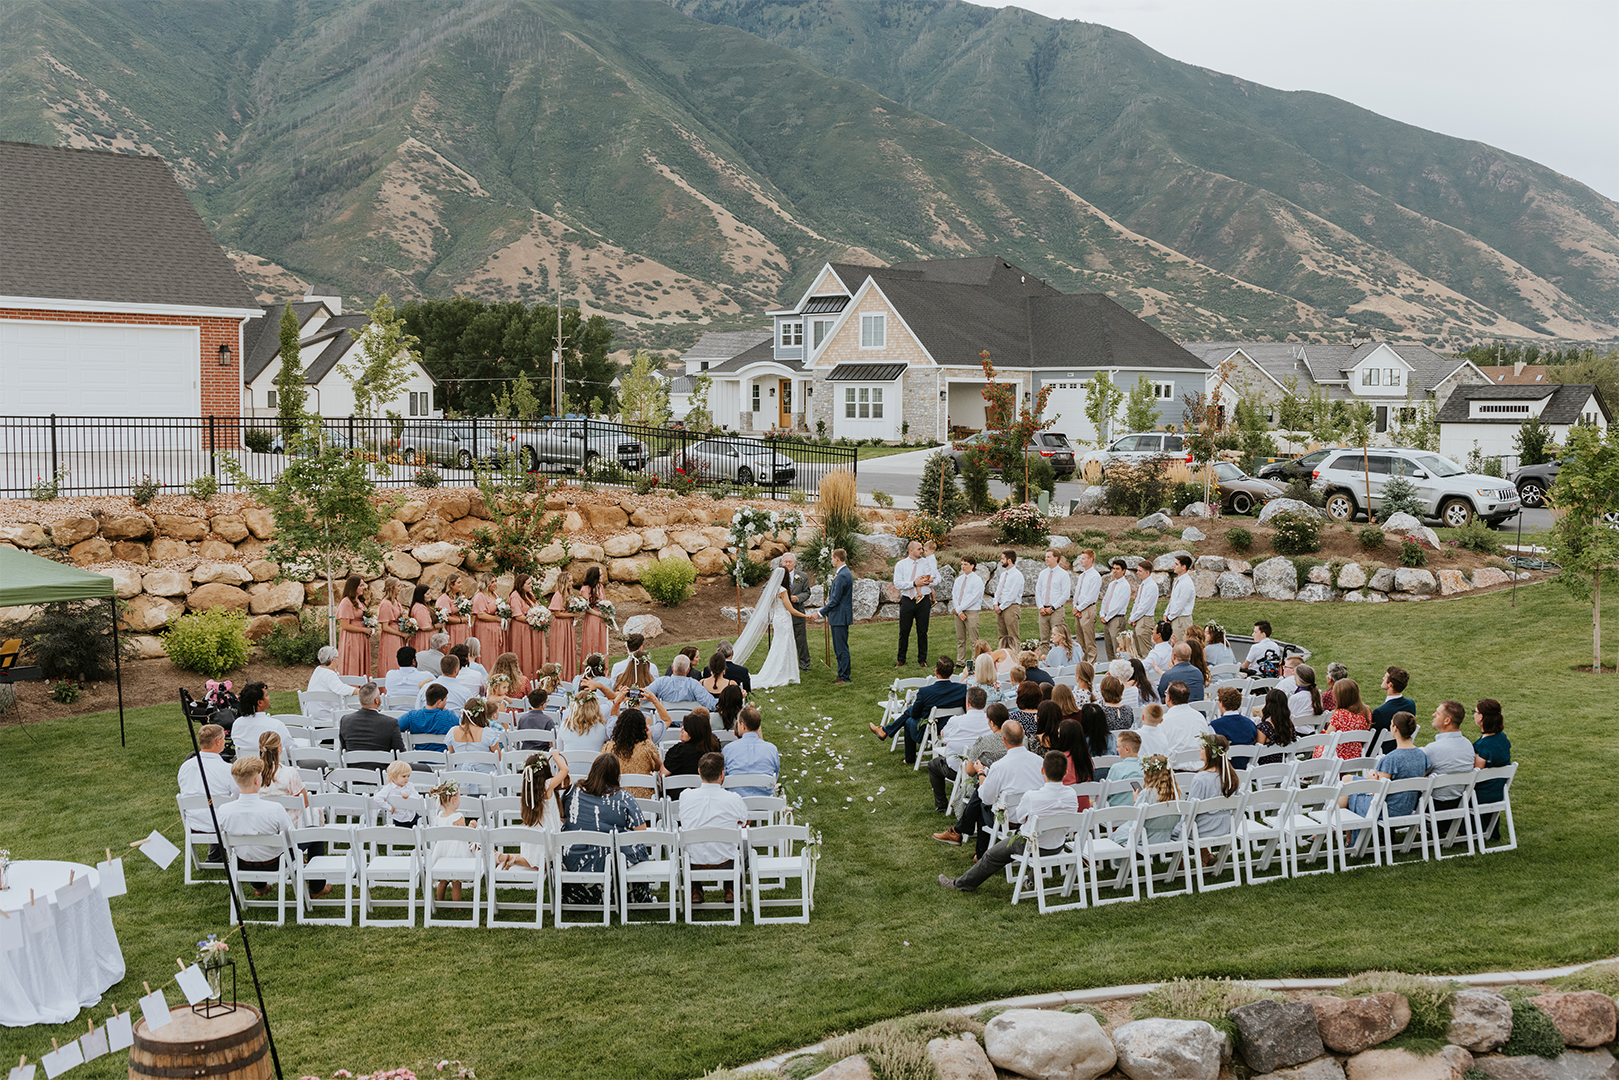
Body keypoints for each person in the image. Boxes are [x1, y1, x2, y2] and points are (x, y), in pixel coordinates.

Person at [938, 751, 1079, 893]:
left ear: (1042, 770)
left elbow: (1020, 818)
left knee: (990, 856)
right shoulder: (1072, 795)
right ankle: (1031, 882)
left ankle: (960, 884)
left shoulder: (1032, 797)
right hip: (1057, 845)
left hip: (1030, 846)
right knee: (1039, 835)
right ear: (1065, 773)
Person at [215, 756, 329, 898]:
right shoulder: (274, 809)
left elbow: (223, 840)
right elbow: (290, 839)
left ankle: (260, 887)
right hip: (275, 863)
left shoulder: (224, 810)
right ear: (257, 780)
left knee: (251, 847)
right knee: (315, 833)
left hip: (243, 863)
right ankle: (317, 888)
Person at [559, 754, 648, 906]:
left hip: (575, 859)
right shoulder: (624, 797)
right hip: (609, 861)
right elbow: (641, 830)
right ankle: (631, 895)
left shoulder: (573, 792)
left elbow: (564, 819)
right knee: (638, 847)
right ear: (616, 774)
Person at [964, 719, 1046, 858]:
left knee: (981, 802)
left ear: (1003, 740)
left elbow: (986, 798)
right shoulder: (1040, 761)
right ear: (1024, 735)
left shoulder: (999, 766)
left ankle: (981, 853)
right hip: (1035, 817)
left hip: (1011, 820)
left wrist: (981, 774)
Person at [931, 703, 1010, 847]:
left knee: (980, 793)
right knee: (980, 794)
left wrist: (980, 770)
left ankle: (958, 831)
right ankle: (969, 843)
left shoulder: (984, 741)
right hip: (1011, 784)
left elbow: (968, 771)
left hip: (994, 788)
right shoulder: (1020, 741)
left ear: (991, 722)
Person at [679, 753, 751, 906]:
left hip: (694, 861)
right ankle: (730, 888)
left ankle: (695, 890)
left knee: (687, 846)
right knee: (746, 846)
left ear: (699, 772)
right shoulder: (733, 798)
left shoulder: (685, 796)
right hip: (726, 861)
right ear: (722, 774)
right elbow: (745, 821)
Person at [871, 657, 967, 762]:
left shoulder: (925, 691)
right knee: (910, 713)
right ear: (952, 672)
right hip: (954, 728)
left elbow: (915, 714)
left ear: (936, 671)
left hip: (930, 730)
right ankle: (885, 730)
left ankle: (909, 758)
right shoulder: (962, 689)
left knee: (908, 720)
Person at [1339, 711, 1427, 820]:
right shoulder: (1422, 755)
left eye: (1391, 724)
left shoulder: (1390, 759)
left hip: (1386, 809)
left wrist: (1373, 781)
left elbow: (1379, 794)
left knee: (1349, 789)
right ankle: (1340, 832)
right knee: (1348, 779)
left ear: (1395, 728)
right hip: (1407, 807)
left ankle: (1331, 828)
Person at [494, 751, 569, 871]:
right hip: (547, 830)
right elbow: (564, 770)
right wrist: (556, 756)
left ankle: (504, 857)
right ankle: (510, 859)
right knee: (543, 864)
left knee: (534, 859)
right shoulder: (547, 785)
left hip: (535, 830)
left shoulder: (528, 786)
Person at [926, 686, 993, 813]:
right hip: (985, 769)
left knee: (934, 764)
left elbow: (944, 736)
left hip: (957, 769)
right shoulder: (991, 722)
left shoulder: (956, 721)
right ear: (985, 704)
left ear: (967, 702)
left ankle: (941, 805)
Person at [178, 724, 238, 863]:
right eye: (223, 739)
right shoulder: (227, 769)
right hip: (220, 824)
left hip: (194, 822)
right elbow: (237, 797)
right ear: (218, 741)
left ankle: (216, 856)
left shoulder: (185, 767)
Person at [1178, 734, 1240, 860]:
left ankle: (1180, 864)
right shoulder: (1231, 775)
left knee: (1176, 828)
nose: (1199, 750)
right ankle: (1205, 856)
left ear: (1210, 751)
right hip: (1225, 826)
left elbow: (1191, 811)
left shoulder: (1200, 778)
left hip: (1204, 829)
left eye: (1202, 747)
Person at [427, 780, 479, 903]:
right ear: (454, 800)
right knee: (456, 882)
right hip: (456, 852)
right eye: (459, 798)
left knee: (443, 880)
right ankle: (457, 907)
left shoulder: (439, 816)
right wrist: (472, 826)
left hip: (442, 851)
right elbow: (464, 835)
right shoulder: (458, 817)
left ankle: (440, 902)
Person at [1424, 700, 1474, 811]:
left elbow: (1419, 777)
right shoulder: (1468, 745)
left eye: (1438, 713)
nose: (1434, 715)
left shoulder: (1433, 749)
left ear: (1447, 721)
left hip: (1433, 806)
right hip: (1459, 803)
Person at [814, 548, 854, 684]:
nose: (831, 560)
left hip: (840, 616)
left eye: (832, 558)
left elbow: (835, 600)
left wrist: (820, 613)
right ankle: (841, 673)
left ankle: (844, 676)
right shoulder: (843, 573)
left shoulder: (842, 575)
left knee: (841, 647)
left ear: (837, 558)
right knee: (839, 647)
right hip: (839, 616)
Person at [722, 704, 780, 796]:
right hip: (765, 802)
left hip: (736, 801)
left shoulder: (728, 749)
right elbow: (775, 775)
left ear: (743, 726)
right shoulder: (771, 749)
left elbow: (723, 776)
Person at [893, 539, 934, 668]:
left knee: (922, 631)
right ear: (911, 551)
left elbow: (934, 578)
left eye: (922, 548)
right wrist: (913, 584)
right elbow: (897, 583)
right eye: (919, 549)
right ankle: (901, 659)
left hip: (923, 600)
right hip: (907, 600)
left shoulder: (927, 563)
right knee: (904, 631)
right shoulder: (901, 565)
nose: (922, 551)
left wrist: (928, 581)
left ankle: (922, 659)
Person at [446, 698, 501, 792]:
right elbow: (498, 757)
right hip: (486, 778)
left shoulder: (452, 732)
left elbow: (452, 754)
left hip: (461, 778)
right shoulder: (488, 733)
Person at [607, 707, 663, 798]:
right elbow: (659, 767)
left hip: (616, 796)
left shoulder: (609, 747)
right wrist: (649, 740)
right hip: (645, 796)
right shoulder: (647, 746)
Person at [662, 709, 722, 792]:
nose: (681, 730)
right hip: (709, 791)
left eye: (685, 729)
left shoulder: (679, 751)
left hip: (678, 796)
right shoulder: (714, 745)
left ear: (693, 732)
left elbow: (662, 774)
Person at [339, 682, 404, 758]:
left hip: (354, 768)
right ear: (376, 701)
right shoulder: (390, 723)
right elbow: (400, 753)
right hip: (381, 768)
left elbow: (344, 750)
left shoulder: (345, 721)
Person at [232, 682, 290, 764]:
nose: (268, 697)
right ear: (260, 702)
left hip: (248, 770)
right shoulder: (276, 726)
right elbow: (290, 751)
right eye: (266, 696)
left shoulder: (237, 724)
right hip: (274, 772)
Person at [1315, 678, 1372, 761]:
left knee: (1320, 742)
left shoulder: (1340, 714)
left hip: (1336, 755)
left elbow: (1328, 736)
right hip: (1356, 755)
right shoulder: (1367, 711)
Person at [1472, 698, 1512, 811]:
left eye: (1475, 712)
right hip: (1498, 792)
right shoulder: (1502, 738)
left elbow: (1475, 775)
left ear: (1481, 717)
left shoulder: (1482, 746)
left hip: (1482, 795)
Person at [1157, 681, 1213, 757]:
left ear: (1169, 698)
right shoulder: (1199, 717)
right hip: (1200, 764)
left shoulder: (1164, 720)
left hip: (1174, 766)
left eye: (1166, 693)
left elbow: (1159, 747)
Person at [398, 683, 459, 751]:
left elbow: (395, 726)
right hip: (442, 758)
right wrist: (447, 710)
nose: (446, 703)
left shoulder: (411, 716)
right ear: (439, 702)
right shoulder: (449, 716)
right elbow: (463, 726)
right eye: (445, 700)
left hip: (418, 758)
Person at [1210, 685, 1259, 768]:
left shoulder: (1214, 726)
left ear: (1221, 703)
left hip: (1224, 771)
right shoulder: (1250, 724)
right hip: (1245, 770)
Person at [1135, 755, 1180, 843]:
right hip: (1167, 835)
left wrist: (1135, 800)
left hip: (1145, 838)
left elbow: (1135, 821)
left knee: (1116, 836)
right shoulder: (1179, 794)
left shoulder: (1147, 794)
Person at [645, 654, 718, 708]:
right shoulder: (694, 684)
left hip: (667, 723)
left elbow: (641, 696)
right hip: (688, 725)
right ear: (688, 670)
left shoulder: (661, 682)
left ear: (672, 668)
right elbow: (711, 704)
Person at [1370, 666, 1415, 755]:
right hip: (1403, 750)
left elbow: (1372, 742)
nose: (1383, 678)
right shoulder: (1411, 704)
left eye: (1385, 677)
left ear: (1390, 684)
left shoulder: (1380, 712)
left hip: (1383, 754)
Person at [508, 572, 544, 682]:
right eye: (528, 583)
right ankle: (522, 679)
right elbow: (518, 616)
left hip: (531, 628)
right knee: (523, 652)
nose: (531, 585)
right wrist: (534, 620)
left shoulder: (529, 594)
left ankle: (534, 678)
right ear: (521, 584)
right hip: (520, 629)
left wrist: (541, 615)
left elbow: (536, 607)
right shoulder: (515, 596)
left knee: (533, 653)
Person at [335, 573, 372, 678]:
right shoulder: (346, 602)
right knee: (354, 661)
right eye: (360, 585)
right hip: (352, 639)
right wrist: (363, 630)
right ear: (353, 586)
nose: (363, 588)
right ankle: (353, 687)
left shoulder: (360, 602)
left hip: (362, 638)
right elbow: (345, 626)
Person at [1033, 548, 1072, 648]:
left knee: (1058, 639)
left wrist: (1053, 608)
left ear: (1056, 558)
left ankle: (1058, 661)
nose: (1046, 559)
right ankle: (1045, 661)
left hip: (1056, 611)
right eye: (1045, 557)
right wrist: (1040, 607)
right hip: (1043, 611)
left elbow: (1065, 594)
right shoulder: (1043, 574)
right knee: (1044, 640)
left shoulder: (1063, 574)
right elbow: (1038, 591)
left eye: (1048, 557)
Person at [782, 553, 814, 672]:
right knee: (783, 640)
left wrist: (798, 598)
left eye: (790, 561)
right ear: (782, 563)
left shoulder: (802, 576)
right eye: (786, 562)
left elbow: (807, 592)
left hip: (797, 612)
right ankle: (783, 664)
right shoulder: (777, 575)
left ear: (794, 563)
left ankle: (804, 664)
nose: (788, 564)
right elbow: (766, 588)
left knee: (801, 640)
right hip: (783, 614)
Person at [1071, 548, 1102, 666]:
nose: (1081, 560)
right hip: (1079, 609)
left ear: (1091, 559)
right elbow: (1077, 593)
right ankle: (1082, 663)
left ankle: (1092, 664)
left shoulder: (1095, 576)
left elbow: (1091, 597)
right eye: (1081, 558)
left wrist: (1079, 608)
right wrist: (1075, 606)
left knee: (1089, 640)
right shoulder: (1082, 575)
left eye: (1083, 558)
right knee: (1080, 640)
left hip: (1088, 609)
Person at [548, 571, 580, 682]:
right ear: (564, 582)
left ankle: (569, 675)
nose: (572, 583)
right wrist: (572, 614)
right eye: (570, 580)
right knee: (560, 649)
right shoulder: (558, 595)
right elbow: (557, 614)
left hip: (568, 624)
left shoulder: (569, 595)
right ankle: (559, 676)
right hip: (560, 625)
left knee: (569, 648)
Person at [952, 554, 984, 666]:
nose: (963, 566)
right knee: (961, 639)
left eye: (965, 564)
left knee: (973, 639)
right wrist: (958, 611)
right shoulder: (959, 580)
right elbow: (955, 595)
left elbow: (973, 598)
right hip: (958, 612)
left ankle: (975, 662)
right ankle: (960, 661)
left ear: (972, 565)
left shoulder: (977, 580)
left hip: (971, 611)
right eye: (962, 564)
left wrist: (960, 609)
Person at [558, 689, 613, 754]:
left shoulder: (564, 726)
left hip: (567, 764)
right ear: (595, 707)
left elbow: (560, 751)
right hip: (595, 763)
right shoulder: (603, 728)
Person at [990, 549, 1025, 650]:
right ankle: (1003, 658)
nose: (1001, 561)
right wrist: (995, 603)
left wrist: (1001, 607)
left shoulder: (1017, 575)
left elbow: (1012, 595)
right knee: (1002, 636)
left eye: (1002, 559)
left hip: (1011, 607)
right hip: (1000, 607)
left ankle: (1015, 658)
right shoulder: (1003, 575)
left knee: (1013, 636)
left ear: (1009, 560)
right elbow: (998, 590)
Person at [1099, 558, 1132, 661]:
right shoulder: (1111, 584)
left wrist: (1107, 617)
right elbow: (1105, 600)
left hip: (1116, 618)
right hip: (1107, 618)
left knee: (1116, 647)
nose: (1114, 571)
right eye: (1113, 568)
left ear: (1123, 571)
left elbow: (1119, 605)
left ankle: (1119, 669)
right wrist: (1102, 614)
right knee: (1108, 646)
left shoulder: (1125, 586)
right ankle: (1111, 668)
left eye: (1117, 569)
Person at [374, 761, 425, 827]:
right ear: (393, 776)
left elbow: (417, 797)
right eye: (404, 776)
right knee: (402, 834)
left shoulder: (409, 786)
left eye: (408, 776)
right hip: (399, 818)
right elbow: (377, 798)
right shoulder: (389, 788)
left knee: (417, 831)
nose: (407, 779)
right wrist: (389, 807)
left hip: (412, 816)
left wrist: (409, 797)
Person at [1254, 687, 1297, 763]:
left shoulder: (1264, 728)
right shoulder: (1289, 726)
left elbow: (1256, 753)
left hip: (1262, 769)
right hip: (1281, 767)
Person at [377, 578, 408, 680]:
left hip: (398, 635)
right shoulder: (385, 603)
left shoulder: (396, 601)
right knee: (392, 661)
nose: (401, 588)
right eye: (398, 586)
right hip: (391, 637)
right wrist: (400, 634)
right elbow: (385, 627)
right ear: (391, 587)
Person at [1128, 561, 1160, 657]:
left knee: (1145, 651)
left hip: (1145, 619)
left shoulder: (1151, 586)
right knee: (1138, 651)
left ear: (1147, 572)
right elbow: (1137, 602)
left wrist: (1133, 618)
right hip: (1139, 618)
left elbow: (1144, 606)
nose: (1137, 572)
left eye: (1140, 571)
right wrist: (1133, 616)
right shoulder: (1143, 585)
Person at [472, 574, 506, 660]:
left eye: (495, 581)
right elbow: (480, 615)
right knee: (487, 652)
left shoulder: (495, 594)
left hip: (495, 628)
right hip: (484, 629)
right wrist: (498, 619)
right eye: (492, 582)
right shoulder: (480, 596)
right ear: (486, 583)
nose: (495, 584)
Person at [578, 565, 609, 662]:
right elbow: (586, 607)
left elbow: (604, 601)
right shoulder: (585, 589)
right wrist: (599, 614)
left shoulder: (600, 586)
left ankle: (603, 668)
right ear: (594, 577)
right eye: (600, 575)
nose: (602, 576)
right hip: (592, 618)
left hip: (602, 618)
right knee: (592, 641)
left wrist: (607, 611)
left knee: (602, 642)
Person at [1164, 554, 1196, 642]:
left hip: (1182, 620)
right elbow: (1173, 600)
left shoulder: (1186, 583)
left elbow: (1180, 605)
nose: (1174, 566)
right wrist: (1166, 613)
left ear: (1183, 567)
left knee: (1180, 646)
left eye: (1176, 564)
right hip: (1175, 617)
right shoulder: (1178, 580)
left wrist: (1170, 617)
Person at [1108, 730, 1144, 805]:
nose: (1116, 749)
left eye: (1118, 746)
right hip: (1138, 809)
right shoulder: (1146, 767)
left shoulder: (1116, 768)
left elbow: (1107, 793)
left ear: (1127, 749)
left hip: (1117, 810)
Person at [433, 575, 469, 649]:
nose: (461, 584)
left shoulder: (459, 597)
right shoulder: (444, 598)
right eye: (458, 582)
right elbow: (446, 618)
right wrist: (461, 620)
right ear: (451, 584)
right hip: (453, 630)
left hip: (463, 630)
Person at [1289, 664, 1325, 734]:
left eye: (1295, 676)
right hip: (1312, 732)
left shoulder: (1295, 698)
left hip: (1297, 734)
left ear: (1299, 679)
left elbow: (1288, 718)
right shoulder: (1318, 695)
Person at [408, 584, 437, 655]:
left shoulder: (424, 606)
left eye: (430, 593)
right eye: (427, 594)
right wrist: (436, 626)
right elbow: (424, 627)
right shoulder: (419, 608)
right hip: (423, 638)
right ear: (421, 595)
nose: (430, 595)